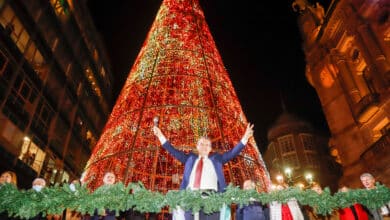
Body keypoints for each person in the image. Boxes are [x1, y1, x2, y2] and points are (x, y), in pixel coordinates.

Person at [153, 122, 254, 220]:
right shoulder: (190, 159)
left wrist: (245, 137)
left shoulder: (217, 159)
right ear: (197, 146)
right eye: (202, 144)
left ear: (210, 148)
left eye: (207, 145)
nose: (204, 146)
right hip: (190, 199)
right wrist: (160, 135)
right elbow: (172, 150)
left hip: (212, 199)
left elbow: (232, 153)